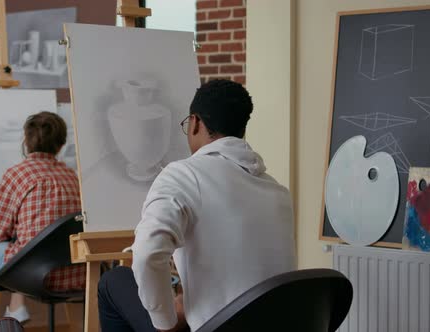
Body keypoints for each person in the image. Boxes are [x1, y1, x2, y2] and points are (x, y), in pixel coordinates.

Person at [97, 79, 296, 331]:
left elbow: (147, 254)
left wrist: (165, 322)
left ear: (195, 123)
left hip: (214, 327)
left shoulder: (183, 174)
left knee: (112, 282)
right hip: (275, 324)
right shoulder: (278, 191)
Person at [0, 112, 85, 332]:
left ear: (26, 141)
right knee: (27, 237)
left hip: (32, 276)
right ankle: (16, 307)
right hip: (75, 276)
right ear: (60, 145)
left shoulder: (18, 174)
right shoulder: (73, 177)